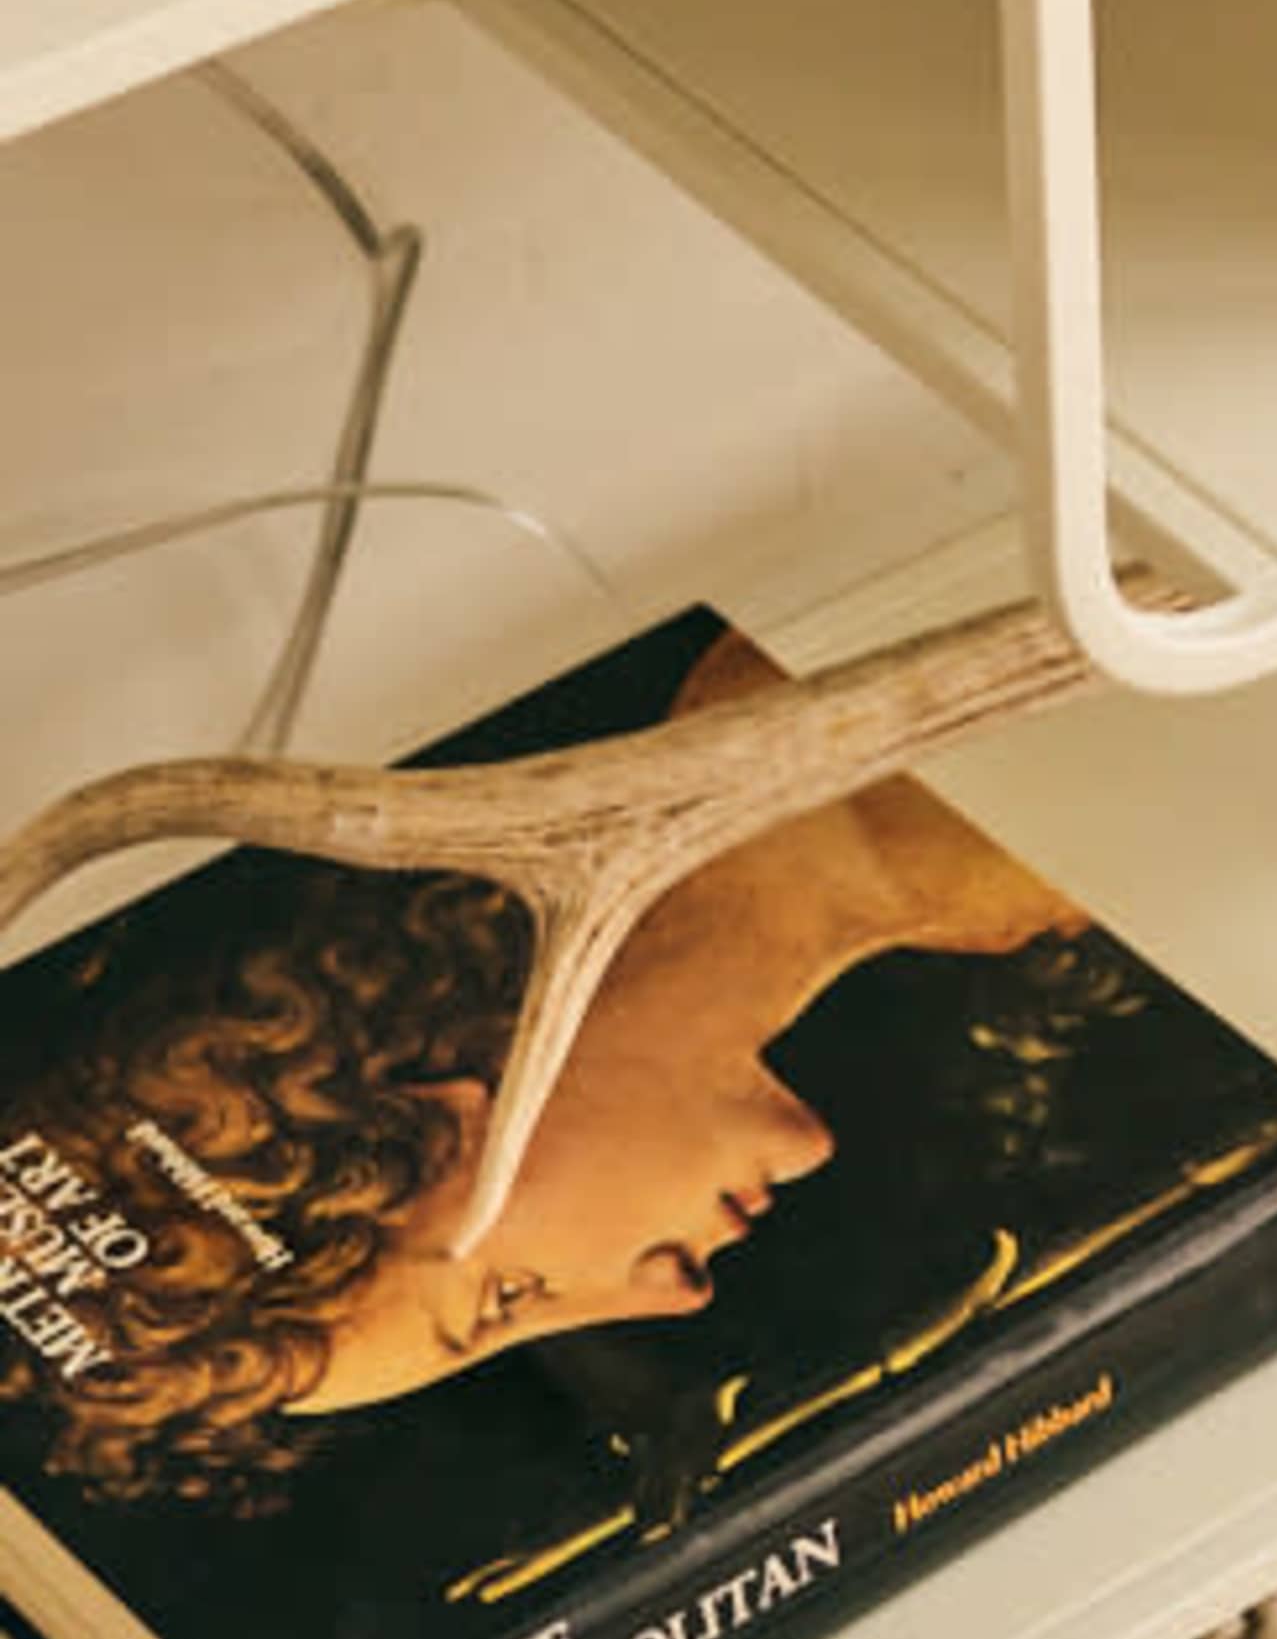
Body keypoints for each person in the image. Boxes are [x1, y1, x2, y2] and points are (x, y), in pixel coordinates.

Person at [0, 622, 1078, 1519]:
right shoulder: (984, 930)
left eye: (510, 1296)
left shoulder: (796, 691)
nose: (669, 1298)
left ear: (423, 1113)